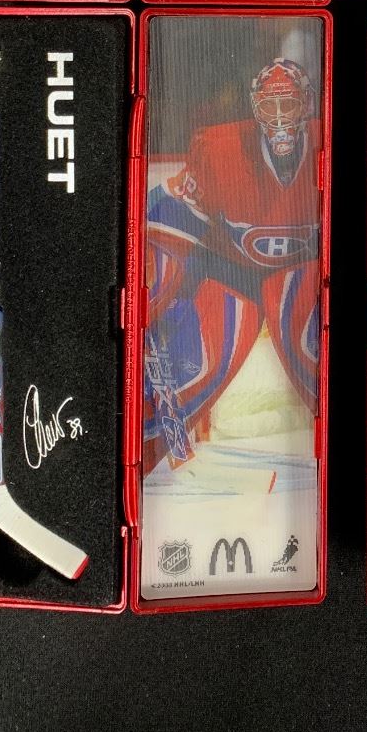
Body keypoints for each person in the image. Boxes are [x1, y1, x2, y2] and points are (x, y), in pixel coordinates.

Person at [142, 58, 321, 474]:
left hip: (302, 271)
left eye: (289, 104)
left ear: (308, 104)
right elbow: (168, 212)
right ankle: (139, 452)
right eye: (269, 105)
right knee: (205, 364)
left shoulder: (328, 143)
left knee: (305, 340)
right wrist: (153, 284)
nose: (279, 117)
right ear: (255, 108)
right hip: (232, 270)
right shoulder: (220, 149)